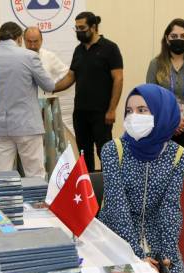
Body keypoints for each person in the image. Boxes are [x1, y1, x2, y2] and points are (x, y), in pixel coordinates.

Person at [98, 84, 184, 273]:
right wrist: (137, 256)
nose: (133, 117)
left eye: (142, 110)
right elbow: (116, 207)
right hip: (116, 235)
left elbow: (170, 207)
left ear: (161, 112)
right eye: (129, 111)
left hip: (156, 232)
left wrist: (166, 254)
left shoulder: (177, 155)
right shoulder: (113, 150)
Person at [54, 11, 123, 172]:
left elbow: (118, 79)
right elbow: (70, 77)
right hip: (80, 113)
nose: (79, 31)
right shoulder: (78, 50)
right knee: (84, 153)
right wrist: (50, 86)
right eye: (76, 28)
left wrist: (112, 110)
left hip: (102, 113)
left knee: (104, 152)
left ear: (93, 27)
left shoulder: (110, 48)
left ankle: (111, 189)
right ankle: (89, 188)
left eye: (82, 27)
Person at [0, 22, 54, 178]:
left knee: (3, 176)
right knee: (34, 175)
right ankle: (37, 202)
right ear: (19, 38)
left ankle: (5, 202)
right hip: (27, 125)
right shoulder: (29, 56)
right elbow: (49, 85)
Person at [146, 18, 184, 164]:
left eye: (183, 36)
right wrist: (172, 120)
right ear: (167, 39)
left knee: (180, 168)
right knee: (160, 168)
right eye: (174, 36)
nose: (179, 39)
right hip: (162, 124)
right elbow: (151, 96)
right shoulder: (155, 64)